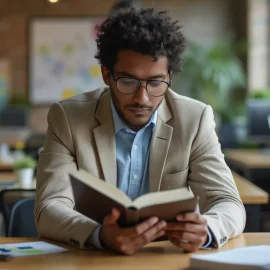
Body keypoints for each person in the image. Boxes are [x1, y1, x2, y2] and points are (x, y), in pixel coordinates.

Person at [35, 8, 246, 255]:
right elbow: (49, 207)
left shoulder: (194, 119)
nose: (142, 98)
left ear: (169, 77)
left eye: (156, 83)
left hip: (166, 258)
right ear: (107, 75)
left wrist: (207, 229)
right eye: (128, 82)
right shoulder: (68, 118)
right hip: (94, 258)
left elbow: (228, 202)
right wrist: (99, 235)